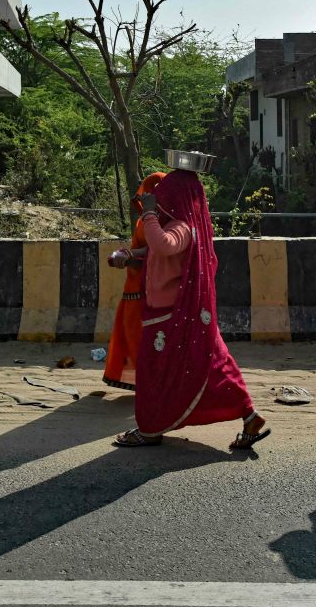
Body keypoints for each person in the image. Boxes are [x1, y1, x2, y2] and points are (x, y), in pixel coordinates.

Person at [113, 169, 270, 449]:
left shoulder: (182, 226)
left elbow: (163, 245)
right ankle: (249, 415)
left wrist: (148, 214)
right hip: (182, 312)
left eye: (162, 195)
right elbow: (157, 252)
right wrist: (129, 255)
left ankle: (150, 430)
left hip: (170, 313)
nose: (155, 199)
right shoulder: (181, 224)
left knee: (153, 372)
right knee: (214, 365)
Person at [103, 172, 166, 391]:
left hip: (151, 288)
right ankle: (144, 382)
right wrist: (127, 256)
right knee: (130, 334)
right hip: (135, 284)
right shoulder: (145, 219)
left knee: (143, 338)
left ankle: (152, 384)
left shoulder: (162, 219)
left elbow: (158, 247)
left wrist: (129, 254)